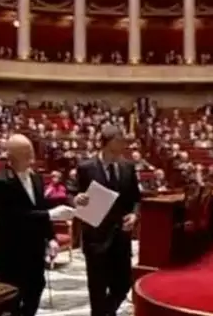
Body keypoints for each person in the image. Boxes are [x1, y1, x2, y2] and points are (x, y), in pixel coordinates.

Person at [0, 134, 75, 316]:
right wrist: (50, 214)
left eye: (30, 149)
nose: (31, 154)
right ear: (11, 155)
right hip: (12, 252)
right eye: (25, 151)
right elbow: (13, 217)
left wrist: (51, 237)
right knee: (13, 298)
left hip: (34, 249)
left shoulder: (36, 177)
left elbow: (40, 207)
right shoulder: (1, 181)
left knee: (36, 289)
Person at [73, 125, 141, 316]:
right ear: (108, 142)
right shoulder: (86, 168)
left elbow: (136, 198)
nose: (124, 144)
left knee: (123, 283)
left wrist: (134, 214)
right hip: (96, 236)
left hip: (121, 235)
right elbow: (72, 193)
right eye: (120, 140)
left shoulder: (127, 167)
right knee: (97, 288)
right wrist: (76, 199)